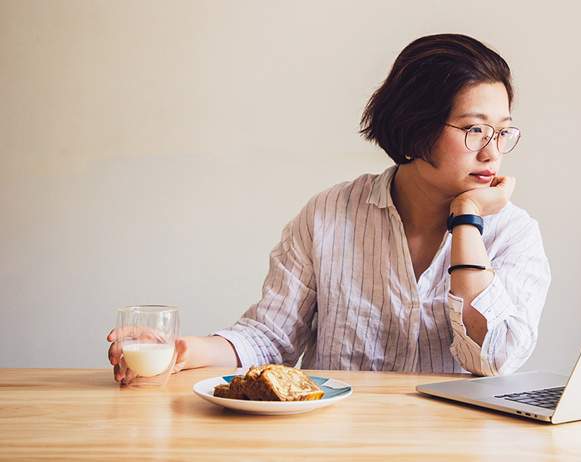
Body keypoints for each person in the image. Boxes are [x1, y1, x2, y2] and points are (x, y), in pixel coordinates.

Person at [107, 33, 551, 382]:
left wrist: (468, 220)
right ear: (417, 128)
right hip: (337, 439)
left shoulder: (513, 233)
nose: (493, 153)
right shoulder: (330, 214)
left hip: (459, 445)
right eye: (476, 130)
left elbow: (494, 359)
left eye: (503, 131)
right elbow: (271, 338)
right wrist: (180, 351)